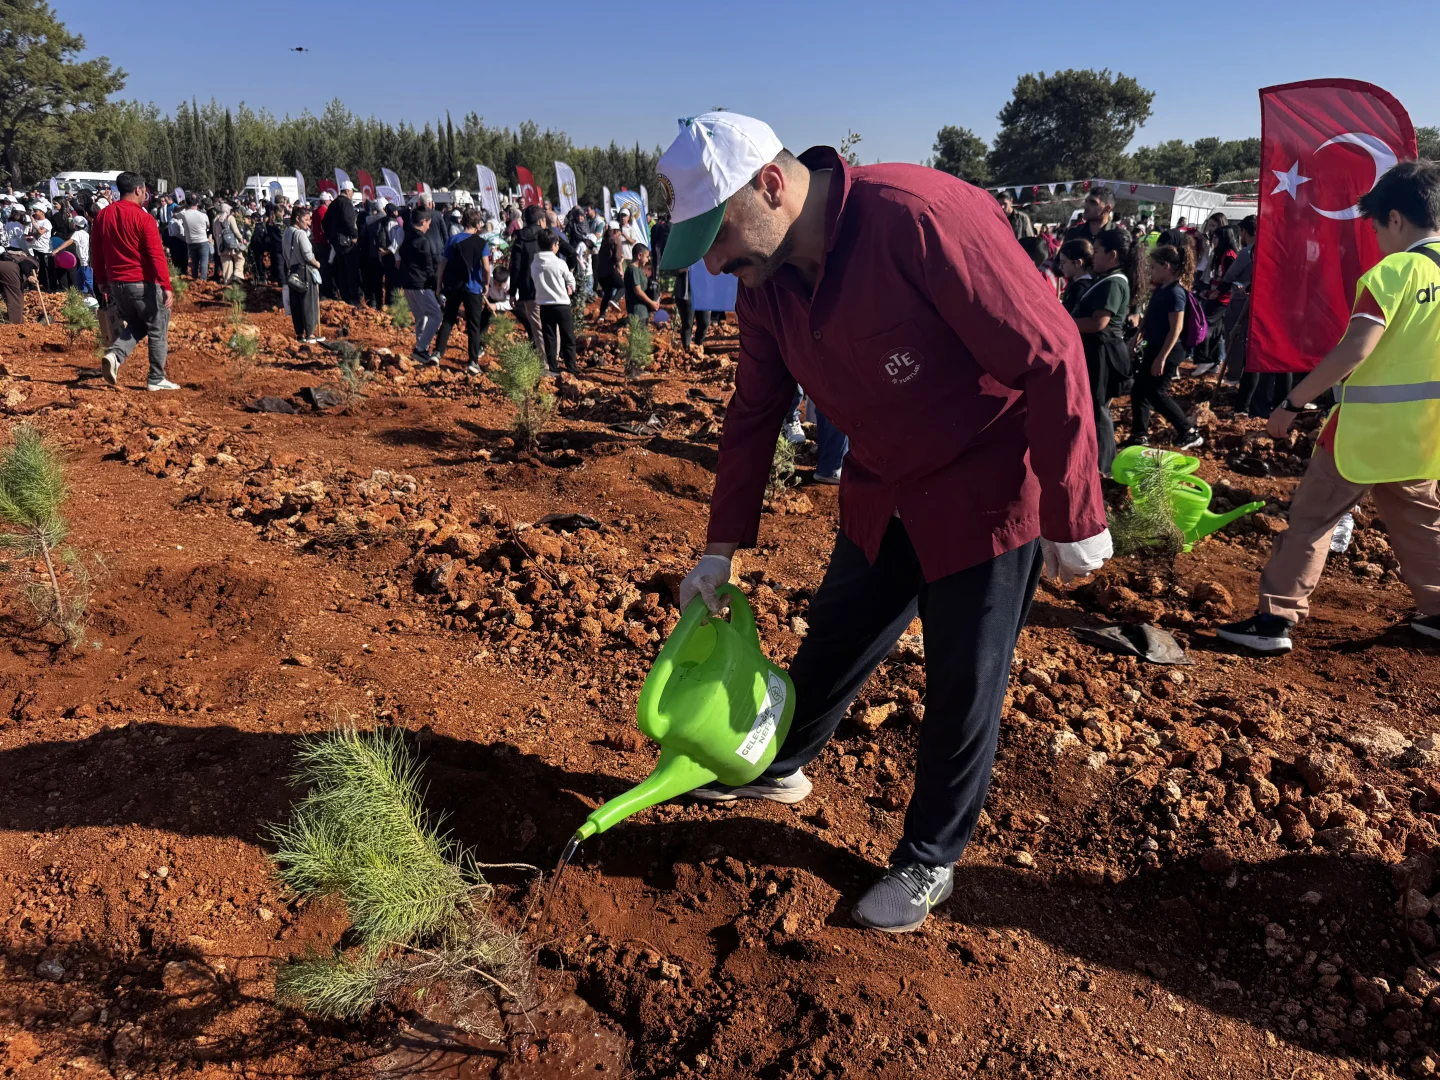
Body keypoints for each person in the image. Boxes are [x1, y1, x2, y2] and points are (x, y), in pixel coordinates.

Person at [657, 111, 1109, 933]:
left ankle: (931, 858)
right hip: (884, 486)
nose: (717, 265)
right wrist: (719, 550)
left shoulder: (919, 218)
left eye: (717, 239)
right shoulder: (769, 288)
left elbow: (1051, 352)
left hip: (987, 489)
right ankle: (782, 762)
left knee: (963, 682)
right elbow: (754, 413)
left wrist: (1071, 503)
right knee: (836, 632)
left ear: (770, 185)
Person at [1218, 160, 1440, 654]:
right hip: (1424, 435)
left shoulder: (1395, 271)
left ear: (1397, 219)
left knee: (1314, 519)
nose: (1379, 238)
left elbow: (1356, 348)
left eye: (1378, 226)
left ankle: (1275, 619)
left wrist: (1293, 401)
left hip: (1362, 431)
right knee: (1421, 520)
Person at [91, 172, 178, 391]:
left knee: (139, 324)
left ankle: (115, 356)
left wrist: (101, 280)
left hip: (116, 285)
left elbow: (97, 252)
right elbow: (155, 254)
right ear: (139, 190)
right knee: (157, 328)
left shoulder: (103, 216)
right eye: (144, 191)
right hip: (142, 283)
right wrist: (166, 285)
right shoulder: (143, 218)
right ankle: (156, 377)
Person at [1071, 229, 1141, 477]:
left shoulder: (1113, 283)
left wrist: (1062, 322)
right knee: (1094, 407)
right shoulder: (1108, 279)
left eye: (1098, 252)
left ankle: (1104, 467)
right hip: (1098, 351)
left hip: (1102, 353)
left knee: (1098, 408)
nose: (1094, 257)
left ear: (1112, 255)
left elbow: (1098, 323)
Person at [1130, 244, 1202, 450]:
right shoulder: (1162, 289)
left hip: (1169, 350)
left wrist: (1162, 358)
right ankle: (1139, 435)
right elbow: (1149, 318)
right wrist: (1135, 338)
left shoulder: (1176, 293)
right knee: (1139, 390)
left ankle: (1188, 431)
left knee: (1156, 392)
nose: (1152, 272)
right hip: (1154, 346)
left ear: (1167, 266)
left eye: (1154, 267)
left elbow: (1176, 329)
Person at [433, 207, 492, 375]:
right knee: (474, 325)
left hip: (454, 287)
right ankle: (473, 361)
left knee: (449, 319)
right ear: (477, 224)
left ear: (463, 222)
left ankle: (437, 353)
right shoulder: (481, 243)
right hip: (473, 288)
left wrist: (438, 287)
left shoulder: (453, 240)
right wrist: (486, 284)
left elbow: (442, 265)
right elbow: (486, 268)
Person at [531, 227, 578, 375]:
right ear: (553, 246)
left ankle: (553, 368)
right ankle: (571, 367)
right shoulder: (559, 263)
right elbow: (570, 279)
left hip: (544, 305)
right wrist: (571, 287)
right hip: (562, 305)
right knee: (568, 337)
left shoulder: (534, 264)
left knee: (549, 337)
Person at [400, 211, 442, 363]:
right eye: (428, 224)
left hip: (407, 283)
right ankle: (421, 348)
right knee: (436, 315)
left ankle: (420, 350)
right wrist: (436, 285)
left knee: (421, 317)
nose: (429, 227)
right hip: (419, 284)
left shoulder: (406, 236)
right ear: (423, 221)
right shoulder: (423, 241)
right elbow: (428, 266)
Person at [507, 204, 547, 352]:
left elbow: (515, 267)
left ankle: (543, 360)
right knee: (549, 323)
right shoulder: (546, 236)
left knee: (536, 326)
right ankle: (553, 358)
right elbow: (568, 253)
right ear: (540, 220)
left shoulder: (520, 239)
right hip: (547, 286)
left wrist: (512, 292)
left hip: (528, 288)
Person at [283, 204, 322, 343]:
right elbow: (307, 255)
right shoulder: (300, 234)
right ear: (298, 219)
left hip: (293, 271)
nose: (309, 222)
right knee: (308, 302)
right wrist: (317, 263)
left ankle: (299, 333)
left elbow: (285, 254)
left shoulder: (286, 232)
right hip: (304, 271)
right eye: (307, 219)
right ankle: (310, 334)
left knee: (296, 304)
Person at [325, 182, 361, 305]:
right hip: (347, 242)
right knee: (352, 271)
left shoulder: (334, 203)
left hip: (337, 243)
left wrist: (330, 236)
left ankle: (345, 298)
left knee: (342, 271)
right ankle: (354, 299)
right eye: (352, 191)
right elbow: (349, 220)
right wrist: (355, 235)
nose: (353, 193)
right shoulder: (346, 203)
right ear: (347, 190)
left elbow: (325, 222)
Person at [52, 217, 92, 294]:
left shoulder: (77, 233)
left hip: (83, 259)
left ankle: (87, 294)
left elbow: (69, 241)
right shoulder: (86, 233)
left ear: (74, 225)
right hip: (87, 258)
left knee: (86, 277)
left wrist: (57, 249)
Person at [175, 196, 211, 281]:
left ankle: (194, 277)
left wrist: (183, 206)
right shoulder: (203, 215)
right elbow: (208, 225)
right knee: (204, 261)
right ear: (197, 204)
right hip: (202, 240)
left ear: (188, 204)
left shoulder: (184, 214)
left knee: (194, 261)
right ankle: (203, 279)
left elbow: (174, 215)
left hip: (190, 241)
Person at [592, 225, 625, 314]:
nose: (620, 234)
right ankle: (615, 300)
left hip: (600, 272)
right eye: (619, 231)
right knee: (622, 286)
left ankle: (601, 316)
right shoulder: (616, 240)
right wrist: (620, 269)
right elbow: (617, 258)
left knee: (608, 293)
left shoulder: (604, 240)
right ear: (616, 231)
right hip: (610, 270)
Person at [1056, 238, 1093, 313]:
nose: (1060, 267)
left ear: (1078, 263)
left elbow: (1065, 315)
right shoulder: (1092, 283)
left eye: (1063, 262)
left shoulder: (1078, 288)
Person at [213, 203, 247, 284]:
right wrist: (241, 239)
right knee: (240, 259)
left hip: (221, 246)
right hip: (231, 245)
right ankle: (237, 275)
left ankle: (228, 282)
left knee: (226, 264)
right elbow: (236, 231)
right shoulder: (230, 218)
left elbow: (215, 234)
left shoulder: (215, 219)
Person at [624, 243, 660, 320]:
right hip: (637, 311)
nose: (647, 260)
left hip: (643, 311)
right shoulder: (633, 270)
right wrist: (651, 303)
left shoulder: (639, 269)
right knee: (639, 331)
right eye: (647, 257)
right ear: (640, 256)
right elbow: (638, 291)